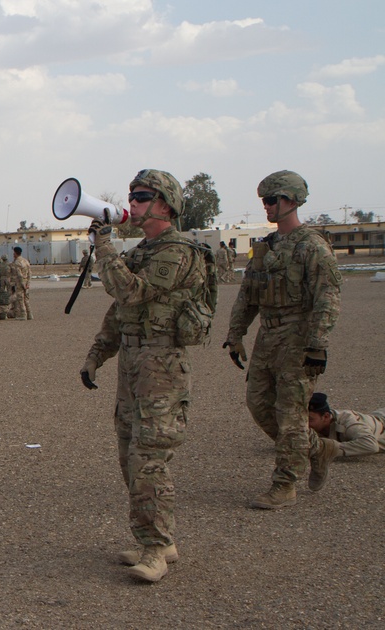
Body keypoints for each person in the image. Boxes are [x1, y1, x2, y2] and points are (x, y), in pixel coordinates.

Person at [81, 168, 213, 583]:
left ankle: (155, 550)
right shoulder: (141, 250)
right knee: (128, 456)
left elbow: (132, 292)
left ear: (165, 205)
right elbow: (120, 312)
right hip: (133, 367)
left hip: (162, 369)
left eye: (141, 197)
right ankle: (159, 539)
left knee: (149, 460)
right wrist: (96, 355)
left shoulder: (178, 252)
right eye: (132, 197)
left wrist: (104, 248)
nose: (132, 204)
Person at [224, 170, 343, 510]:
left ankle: (284, 484)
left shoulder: (312, 245)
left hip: (298, 335)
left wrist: (317, 343)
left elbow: (328, 295)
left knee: (290, 413)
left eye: (273, 200)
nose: (267, 206)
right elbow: (248, 295)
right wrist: (235, 335)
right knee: (259, 404)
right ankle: (319, 449)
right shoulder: (266, 248)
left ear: (291, 201)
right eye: (264, 200)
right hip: (268, 335)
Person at [308, 393, 385, 459]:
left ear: (326, 417)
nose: (305, 424)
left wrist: (331, 449)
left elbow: (370, 445)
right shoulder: (314, 424)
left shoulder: (348, 422)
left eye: (310, 420)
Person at [11, 246, 32, 320]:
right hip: (26, 282)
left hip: (20, 283)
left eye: (14, 253)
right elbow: (30, 273)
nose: (13, 254)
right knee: (26, 299)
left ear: (16, 253)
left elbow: (19, 275)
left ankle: (23, 315)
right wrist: (28, 284)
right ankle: (29, 314)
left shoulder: (17, 262)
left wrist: (23, 285)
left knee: (20, 299)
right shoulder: (26, 261)